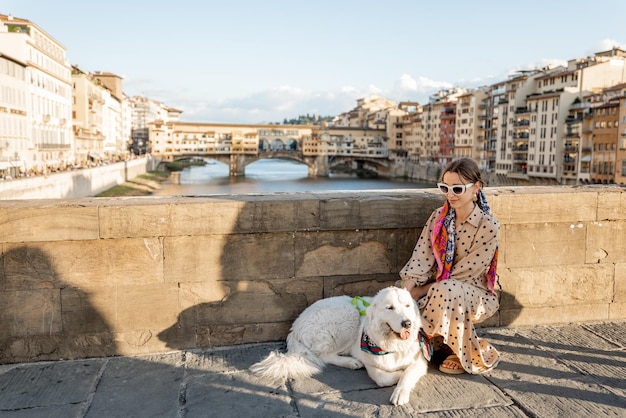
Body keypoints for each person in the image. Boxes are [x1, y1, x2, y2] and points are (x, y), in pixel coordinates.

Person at [397, 157, 500, 375]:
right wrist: (405, 293)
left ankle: (453, 348)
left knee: (446, 289)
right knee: (398, 293)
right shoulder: (439, 218)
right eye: (444, 187)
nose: (450, 194)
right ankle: (439, 342)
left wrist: (420, 291)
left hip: (475, 293)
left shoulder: (488, 226)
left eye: (457, 188)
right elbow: (420, 257)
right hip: (439, 288)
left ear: (475, 188)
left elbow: (464, 275)